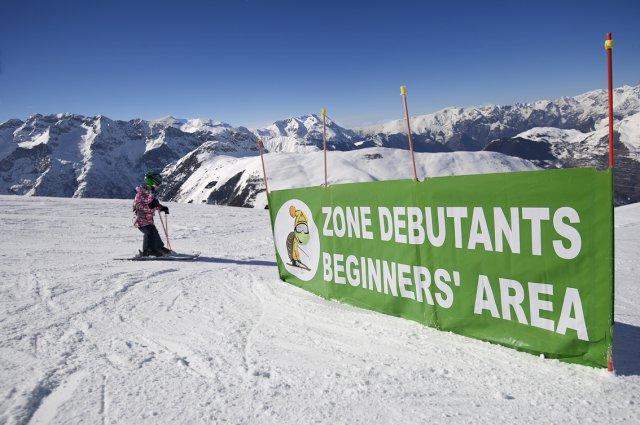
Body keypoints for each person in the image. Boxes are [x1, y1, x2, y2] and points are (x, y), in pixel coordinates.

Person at [133, 171, 172, 257]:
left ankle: (158, 247)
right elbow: (137, 205)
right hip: (140, 219)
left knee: (154, 232)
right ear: (151, 181)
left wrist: (162, 208)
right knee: (149, 233)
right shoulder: (141, 193)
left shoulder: (151, 193)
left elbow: (154, 204)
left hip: (148, 219)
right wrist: (149, 206)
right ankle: (148, 251)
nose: (159, 184)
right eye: (157, 182)